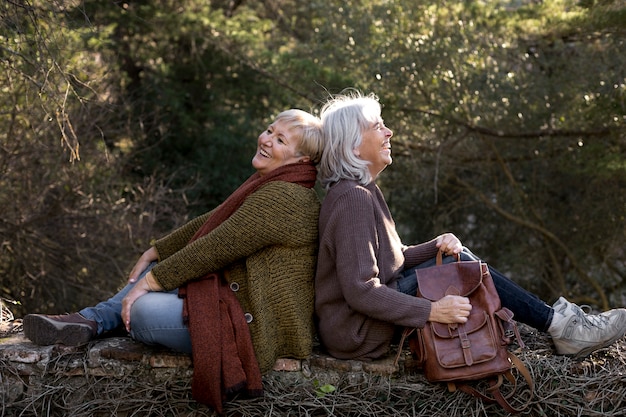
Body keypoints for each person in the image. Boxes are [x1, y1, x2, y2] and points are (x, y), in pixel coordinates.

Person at [23, 109, 324, 412]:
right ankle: (93, 320)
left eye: (281, 140)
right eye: (270, 130)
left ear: (301, 161)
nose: (267, 140)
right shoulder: (275, 185)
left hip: (255, 326)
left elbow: (216, 246)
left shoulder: (286, 198)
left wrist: (149, 283)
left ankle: (96, 320)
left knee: (143, 310)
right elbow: (214, 221)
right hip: (236, 300)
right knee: (160, 268)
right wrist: (156, 252)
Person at [314, 91, 626, 362]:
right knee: (460, 266)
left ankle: (561, 324)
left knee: (455, 256)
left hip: (361, 319)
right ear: (353, 147)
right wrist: (432, 311)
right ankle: (562, 327)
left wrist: (434, 246)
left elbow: (390, 261)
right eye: (378, 126)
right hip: (355, 331)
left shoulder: (362, 191)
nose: (389, 132)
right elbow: (361, 290)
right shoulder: (352, 199)